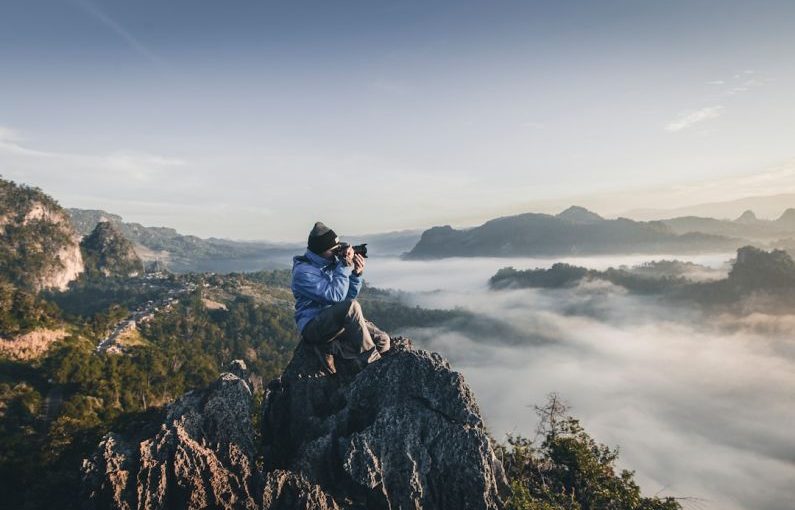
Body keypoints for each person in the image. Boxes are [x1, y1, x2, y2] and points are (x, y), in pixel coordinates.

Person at [291, 221, 390, 374]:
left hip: (336, 322)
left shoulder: (331, 263)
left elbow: (346, 298)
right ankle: (371, 364)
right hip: (314, 326)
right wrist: (343, 266)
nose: (338, 253)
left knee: (383, 341)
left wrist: (356, 274)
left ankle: (334, 349)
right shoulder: (303, 272)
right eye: (334, 250)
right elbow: (336, 297)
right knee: (352, 306)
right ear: (320, 251)